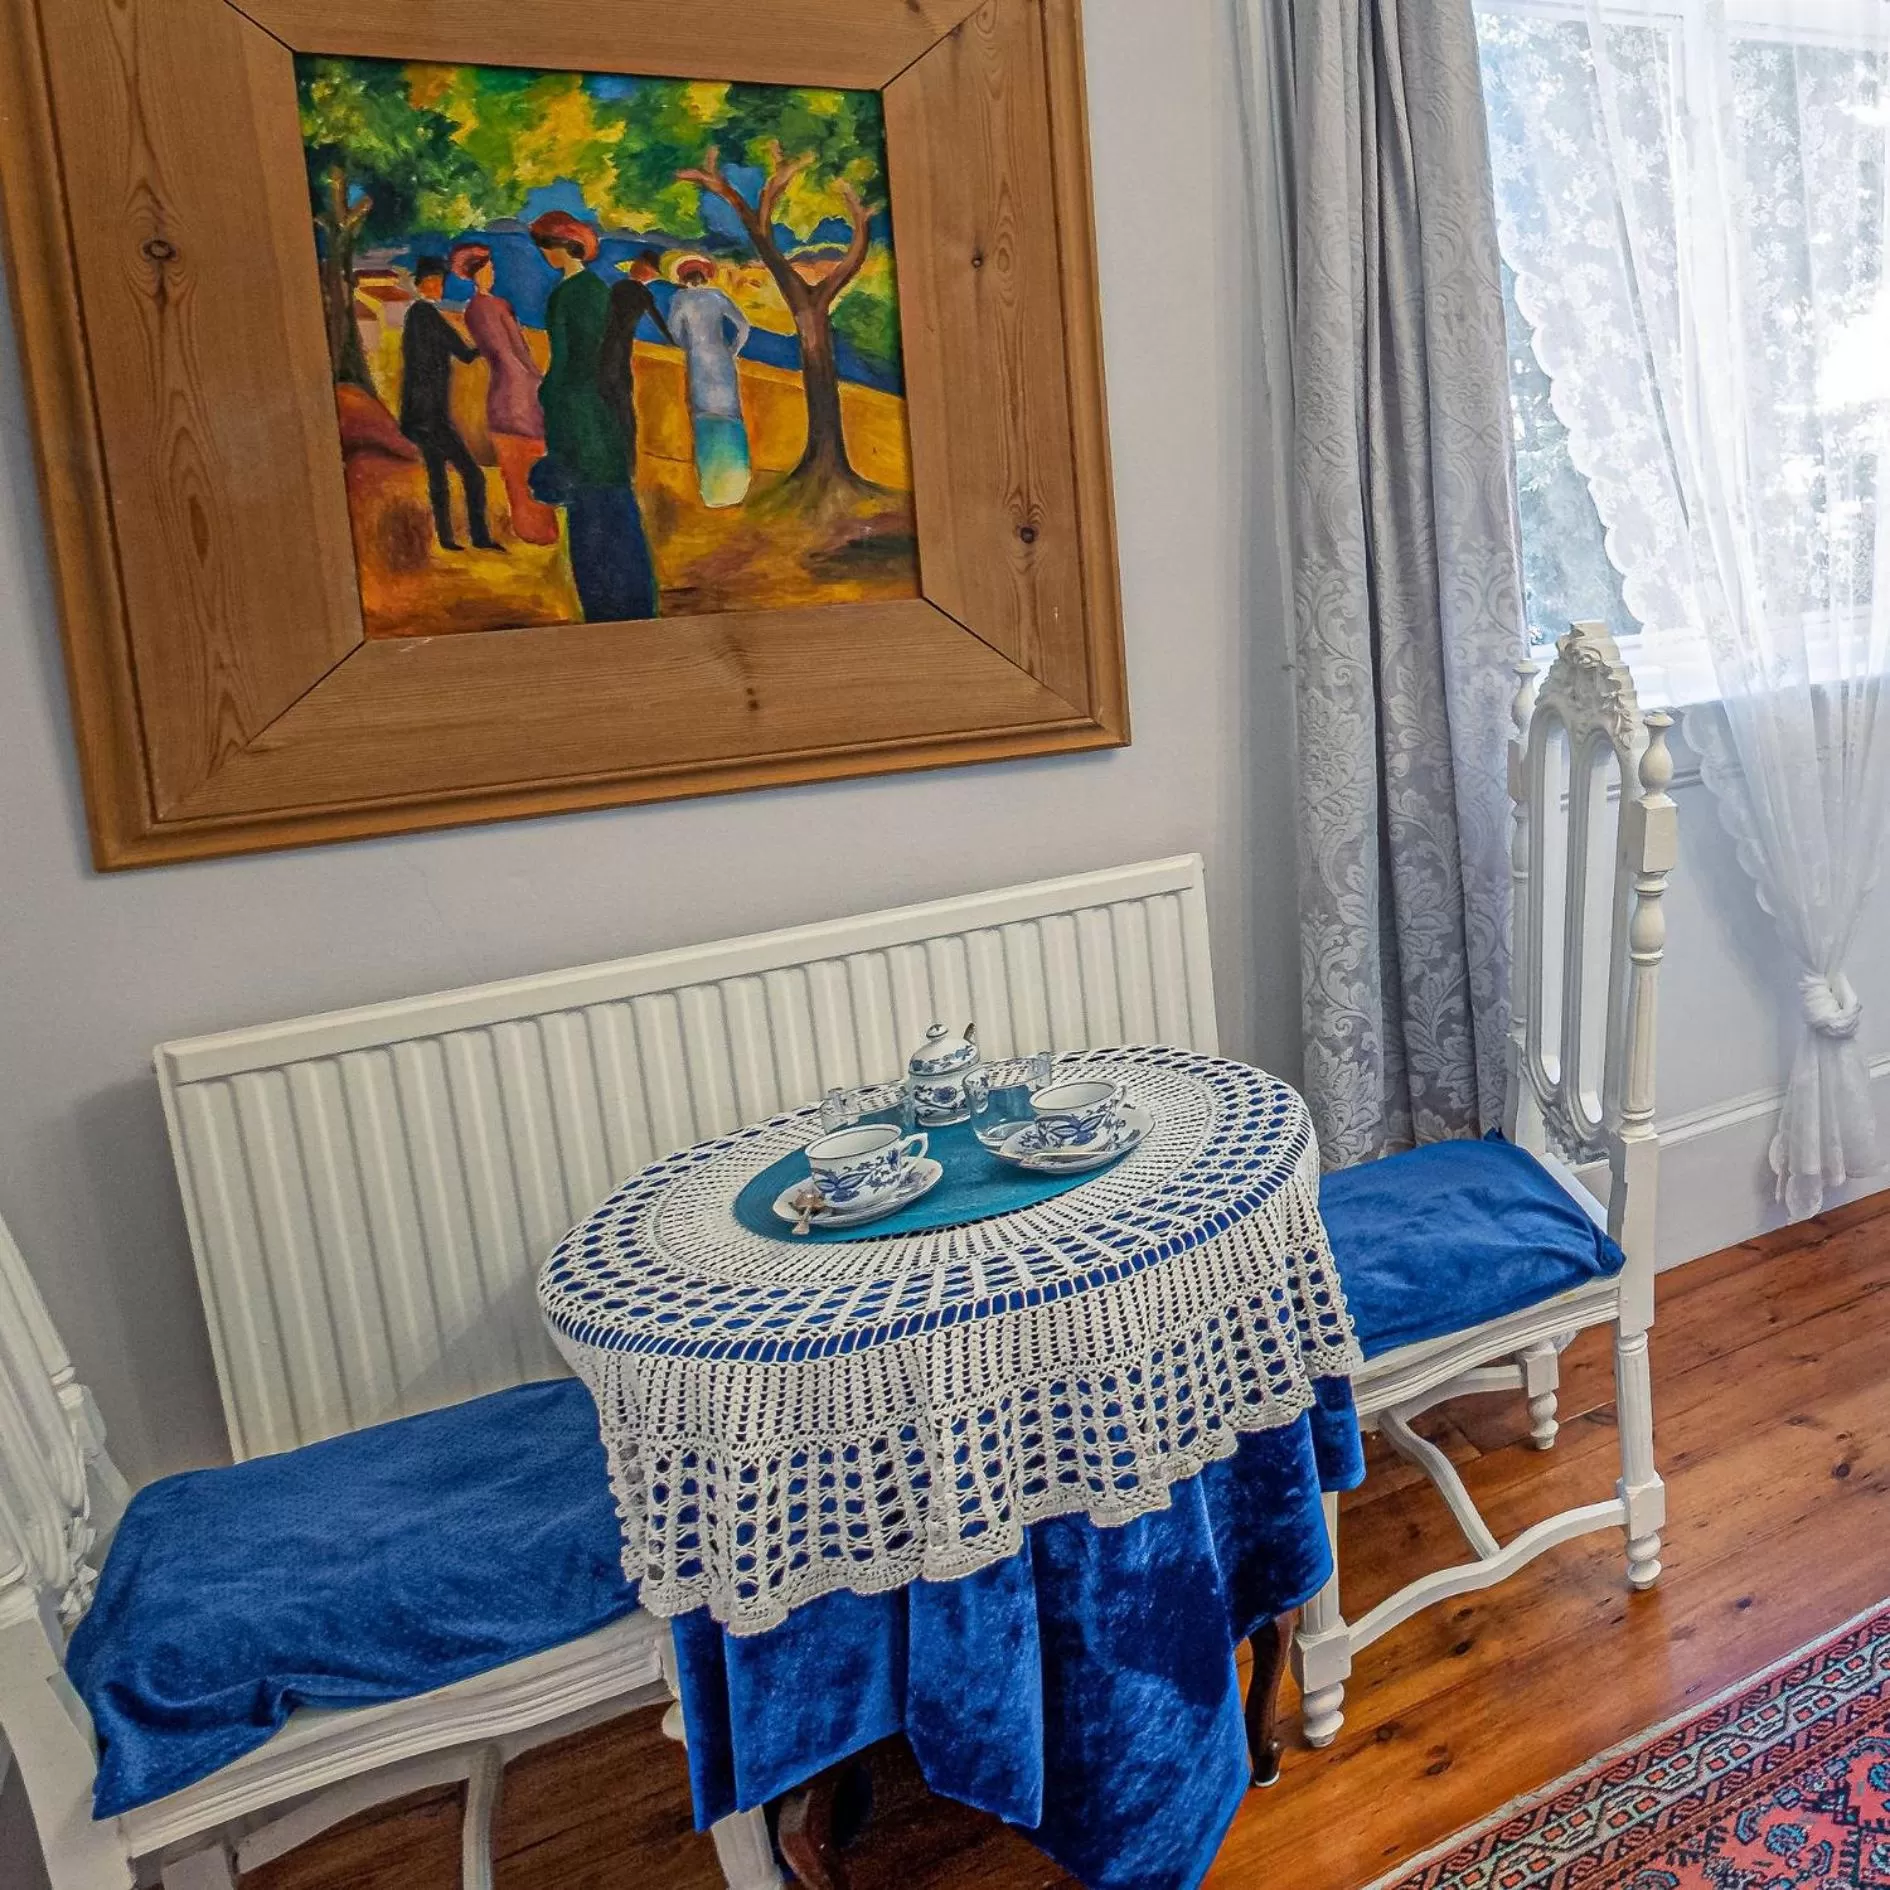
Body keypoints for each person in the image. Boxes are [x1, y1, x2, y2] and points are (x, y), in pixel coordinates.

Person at [527, 209, 658, 621]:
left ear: (564, 246)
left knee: (592, 513)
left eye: (545, 245)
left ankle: (607, 606)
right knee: (608, 509)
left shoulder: (575, 293)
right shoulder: (590, 290)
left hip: (580, 415)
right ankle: (628, 603)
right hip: (594, 416)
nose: (543, 254)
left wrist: (549, 395)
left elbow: (574, 361)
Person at [449, 241, 558, 546]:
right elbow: (509, 354)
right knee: (528, 459)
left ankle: (529, 528)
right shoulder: (490, 307)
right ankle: (537, 530)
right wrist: (536, 382)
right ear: (479, 273)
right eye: (489, 267)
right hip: (518, 394)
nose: (493, 272)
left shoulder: (477, 309)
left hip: (505, 393)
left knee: (517, 466)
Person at [399, 256, 497, 553]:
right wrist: (492, 344)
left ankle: (447, 538)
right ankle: (478, 537)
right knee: (472, 474)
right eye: (433, 282)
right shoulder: (424, 314)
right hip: (431, 416)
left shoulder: (418, 315)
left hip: (419, 414)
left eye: (440, 282)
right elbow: (463, 353)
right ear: (421, 285)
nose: (439, 287)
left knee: (438, 475)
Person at [667, 256, 753, 508]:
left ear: (683, 279)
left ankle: (714, 492)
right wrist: (732, 350)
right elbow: (744, 326)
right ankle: (737, 487)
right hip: (722, 360)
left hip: (698, 362)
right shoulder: (717, 297)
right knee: (730, 416)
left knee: (705, 417)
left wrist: (690, 345)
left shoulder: (680, 299)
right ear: (704, 276)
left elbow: (674, 333)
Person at [600, 247, 675, 457]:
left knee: (607, 397)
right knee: (622, 401)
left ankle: (612, 451)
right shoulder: (644, 294)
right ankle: (627, 455)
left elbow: (603, 316)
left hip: (605, 348)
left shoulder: (617, 287)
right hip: (622, 350)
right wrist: (674, 341)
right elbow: (660, 322)